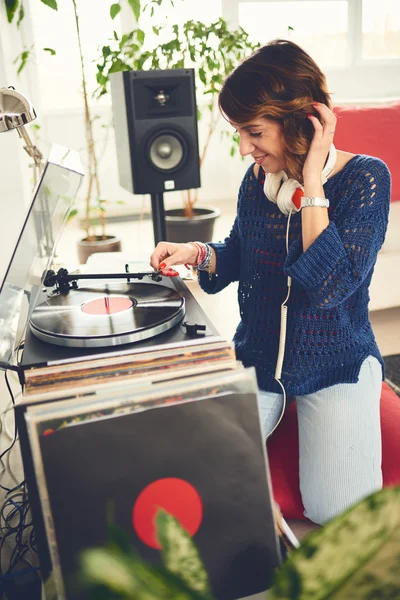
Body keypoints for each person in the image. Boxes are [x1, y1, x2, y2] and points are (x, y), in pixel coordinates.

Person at [149, 39, 391, 525]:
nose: (244, 147)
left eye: (253, 131)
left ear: (301, 121)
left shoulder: (366, 179)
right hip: (258, 360)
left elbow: (329, 290)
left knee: (336, 513)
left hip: (335, 365)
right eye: (240, 131)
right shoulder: (256, 180)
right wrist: (197, 253)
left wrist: (312, 184)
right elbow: (239, 252)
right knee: (195, 481)